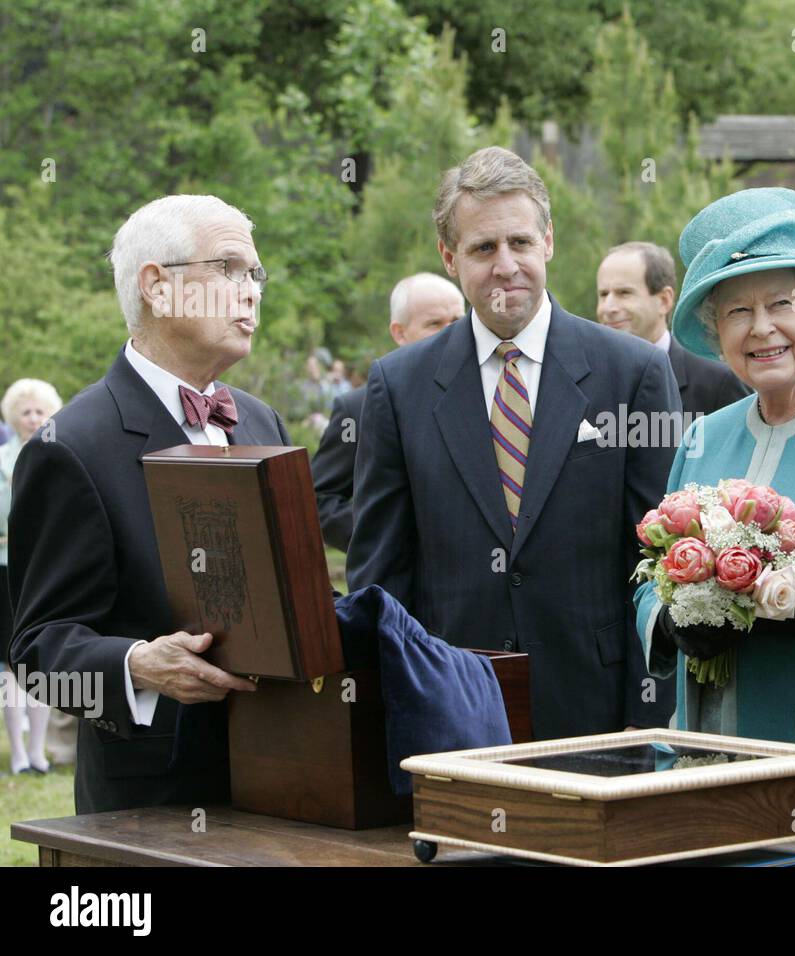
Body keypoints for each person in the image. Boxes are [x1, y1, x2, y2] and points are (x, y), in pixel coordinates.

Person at [347, 147, 680, 738]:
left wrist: (647, 718)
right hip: (449, 707)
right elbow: (380, 573)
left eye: (520, 243)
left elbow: (658, 569)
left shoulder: (631, 373)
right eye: (483, 248)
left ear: (547, 242)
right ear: (450, 258)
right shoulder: (398, 387)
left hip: (595, 708)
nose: (506, 265)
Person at [6, 194, 290, 813]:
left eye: (256, 275)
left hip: (287, 770)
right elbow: (37, 653)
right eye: (229, 268)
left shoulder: (261, 419)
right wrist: (138, 664)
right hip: (153, 802)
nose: (252, 292)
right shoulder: (71, 445)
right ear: (158, 289)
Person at [633, 188, 795, 745]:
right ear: (716, 334)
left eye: (782, 303)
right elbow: (647, 580)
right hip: (696, 748)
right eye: (737, 311)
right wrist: (672, 619)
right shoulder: (705, 436)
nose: (761, 328)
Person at [312, 272, 464, 552]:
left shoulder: (494, 394)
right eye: (434, 323)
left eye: (457, 321)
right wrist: (383, 538)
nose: (450, 332)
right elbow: (319, 499)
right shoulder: (357, 408)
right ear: (400, 333)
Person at [597, 241, 749, 416]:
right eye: (603, 294)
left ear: (664, 300)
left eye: (624, 293)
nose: (608, 308)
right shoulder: (590, 379)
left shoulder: (718, 382)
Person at [1, 378, 62, 774]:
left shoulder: (58, 455)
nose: (33, 419)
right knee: (9, 666)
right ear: (13, 417)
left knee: (39, 660)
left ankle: (39, 752)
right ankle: (18, 753)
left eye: (40, 411)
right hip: (5, 571)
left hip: (44, 569)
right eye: (26, 412)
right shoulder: (2, 459)